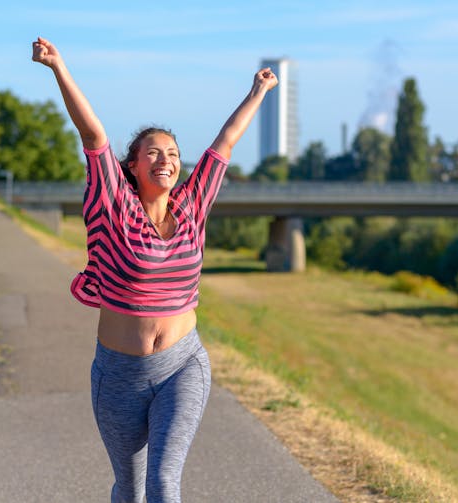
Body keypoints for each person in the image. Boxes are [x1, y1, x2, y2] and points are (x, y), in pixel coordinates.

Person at [31, 36, 278, 503]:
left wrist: (258, 93)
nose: (165, 159)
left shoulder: (193, 206)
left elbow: (225, 143)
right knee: (130, 488)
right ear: (132, 165)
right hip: (118, 373)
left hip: (182, 364)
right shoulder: (111, 206)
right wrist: (58, 67)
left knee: (164, 483)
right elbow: (93, 137)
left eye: (172, 154)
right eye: (153, 152)